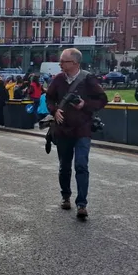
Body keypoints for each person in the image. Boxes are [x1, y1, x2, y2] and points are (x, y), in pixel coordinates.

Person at [46, 48, 108, 221]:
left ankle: (82, 204)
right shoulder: (58, 79)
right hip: (62, 129)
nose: (60, 64)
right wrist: (54, 110)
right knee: (64, 166)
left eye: (63, 61)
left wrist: (84, 105)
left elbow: (102, 99)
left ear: (74, 63)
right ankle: (65, 196)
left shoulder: (88, 79)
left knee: (81, 166)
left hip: (82, 129)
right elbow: (49, 98)